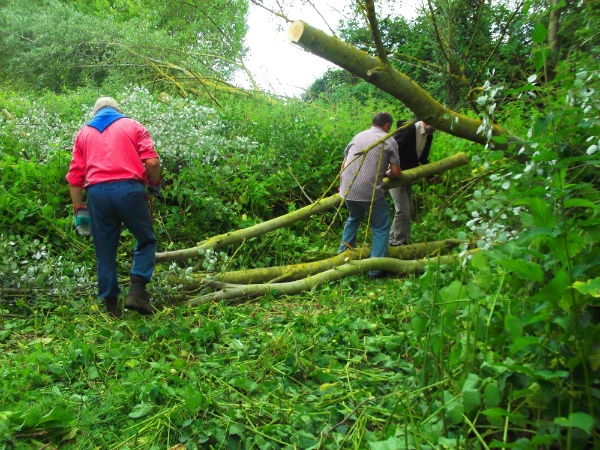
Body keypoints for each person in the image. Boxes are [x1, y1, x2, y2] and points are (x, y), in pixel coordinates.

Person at [66, 97, 162, 317]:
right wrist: (154, 184)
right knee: (146, 239)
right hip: (129, 190)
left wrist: (79, 209)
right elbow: (153, 163)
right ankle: (136, 292)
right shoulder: (133, 126)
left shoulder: (83, 134)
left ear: (95, 113)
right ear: (117, 110)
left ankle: (112, 309)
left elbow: (75, 177)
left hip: (97, 195)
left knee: (105, 250)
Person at [338, 112, 401, 279]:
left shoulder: (358, 136)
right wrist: (384, 172)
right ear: (387, 126)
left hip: (348, 189)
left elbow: (344, 164)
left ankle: (343, 256)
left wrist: (342, 185)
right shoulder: (388, 140)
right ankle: (376, 269)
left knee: (353, 218)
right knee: (380, 226)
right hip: (369, 192)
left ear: (373, 123)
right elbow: (395, 172)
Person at [388, 120, 435, 246]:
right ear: (426, 121)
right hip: (395, 175)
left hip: (408, 176)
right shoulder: (408, 129)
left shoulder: (429, 135)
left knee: (409, 209)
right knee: (402, 209)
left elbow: (423, 158)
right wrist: (390, 169)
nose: (437, 128)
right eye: (436, 124)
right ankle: (393, 242)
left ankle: (403, 241)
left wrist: (430, 176)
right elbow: (391, 147)